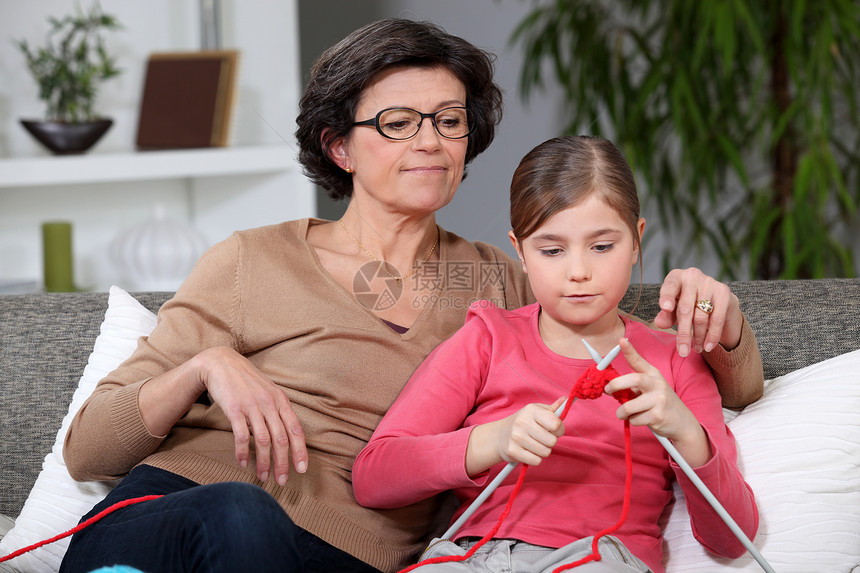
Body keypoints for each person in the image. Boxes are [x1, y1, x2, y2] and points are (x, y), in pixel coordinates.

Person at [59, 18, 762, 573]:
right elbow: (88, 448)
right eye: (398, 122)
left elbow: (653, 359)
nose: (431, 141)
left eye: (449, 120)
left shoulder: (502, 281)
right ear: (340, 147)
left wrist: (716, 314)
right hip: (182, 515)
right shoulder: (252, 259)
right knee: (241, 517)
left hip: (348, 556)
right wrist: (204, 365)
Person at [353, 135, 759, 572]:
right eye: (551, 250)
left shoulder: (676, 357)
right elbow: (375, 477)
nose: (579, 271)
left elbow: (732, 540)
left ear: (637, 239)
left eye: (603, 246)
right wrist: (490, 441)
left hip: (598, 559)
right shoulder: (488, 338)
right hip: (472, 557)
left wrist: (686, 431)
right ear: (521, 252)